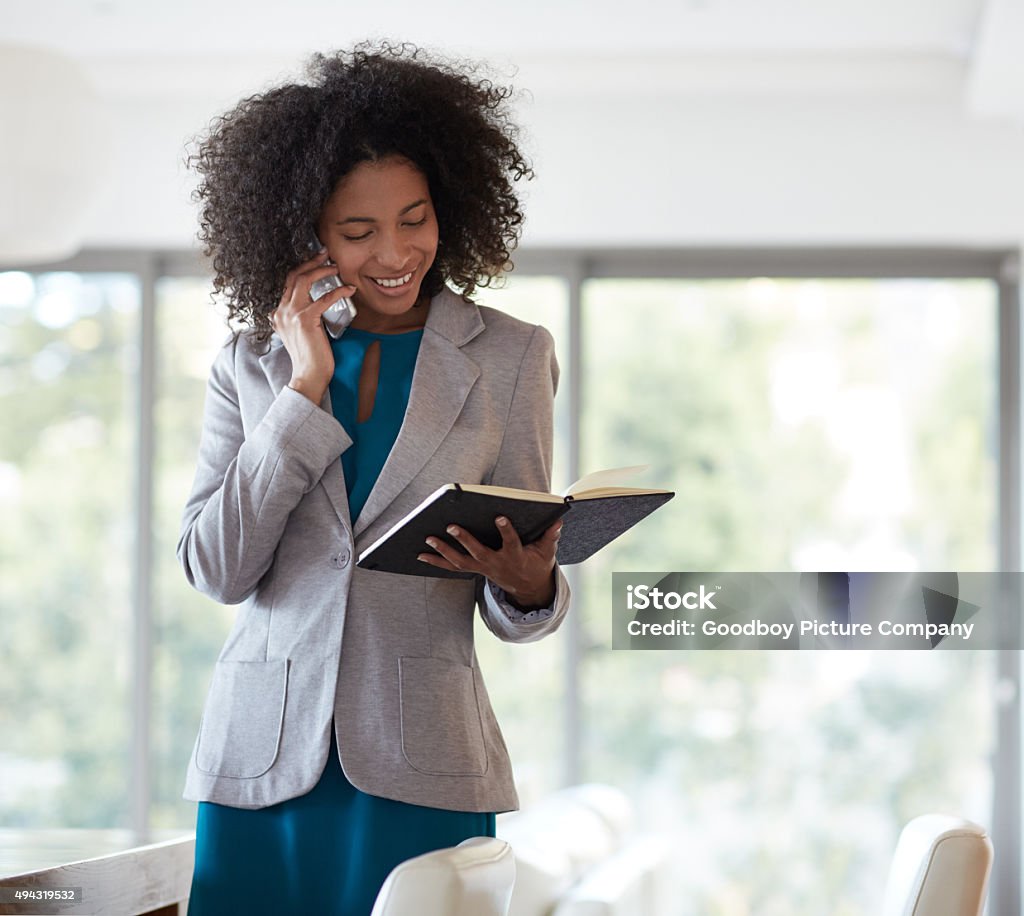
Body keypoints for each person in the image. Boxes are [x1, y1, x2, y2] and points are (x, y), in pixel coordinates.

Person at [177, 41, 571, 915]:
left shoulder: (510, 356)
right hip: (258, 761)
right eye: (358, 232)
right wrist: (304, 386)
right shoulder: (251, 365)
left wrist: (531, 584)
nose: (395, 252)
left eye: (415, 219)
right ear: (307, 236)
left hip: (421, 757)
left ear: (451, 211)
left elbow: (528, 579)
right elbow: (216, 568)